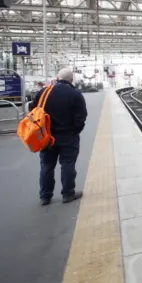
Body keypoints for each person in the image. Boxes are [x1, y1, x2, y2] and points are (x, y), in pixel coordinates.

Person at [30, 68, 88, 205]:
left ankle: (45, 196)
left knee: (46, 166)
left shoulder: (43, 92)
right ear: (71, 80)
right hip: (68, 136)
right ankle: (68, 194)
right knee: (67, 164)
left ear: (57, 78)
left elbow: (33, 111)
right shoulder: (75, 94)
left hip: (46, 137)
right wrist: (75, 131)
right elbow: (81, 116)